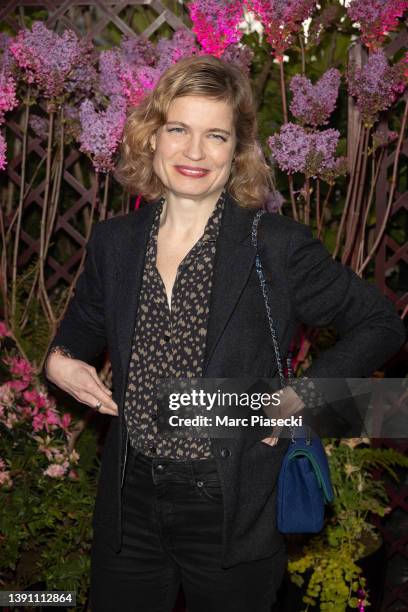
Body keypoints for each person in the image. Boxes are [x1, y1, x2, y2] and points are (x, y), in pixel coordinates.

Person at [44, 55, 405, 612]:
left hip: (231, 504)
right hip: (129, 499)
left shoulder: (275, 246)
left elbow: (378, 323)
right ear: (152, 137)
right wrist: (59, 361)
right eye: (178, 130)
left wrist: (300, 401)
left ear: (236, 151)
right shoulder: (114, 242)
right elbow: (83, 325)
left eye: (215, 135)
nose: (193, 152)